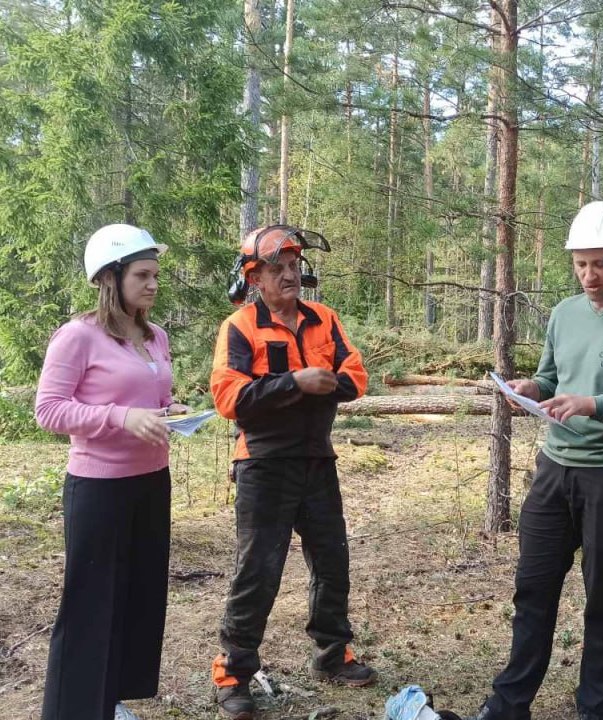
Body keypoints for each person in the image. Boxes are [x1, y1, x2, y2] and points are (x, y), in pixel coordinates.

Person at [467, 202, 603, 720]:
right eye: (580, 264)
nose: (589, 275)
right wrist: (531, 388)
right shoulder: (564, 313)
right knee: (533, 586)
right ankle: (510, 703)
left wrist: (594, 404)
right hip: (554, 466)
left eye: (599, 263)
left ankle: (594, 705)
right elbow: (553, 378)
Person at [210, 225, 373, 720]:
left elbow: (357, 377)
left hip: (317, 459)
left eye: (293, 267)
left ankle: (332, 653)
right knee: (258, 570)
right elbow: (228, 397)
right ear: (254, 277)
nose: (289, 275)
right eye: (277, 269)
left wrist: (327, 383)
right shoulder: (240, 326)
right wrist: (293, 384)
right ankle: (234, 671)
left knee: (331, 559)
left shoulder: (324, 319)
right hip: (262, 463)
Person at [35, 224, 189, 720]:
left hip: (151, 482)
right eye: (142, 275)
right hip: (98, 488)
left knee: (137, 599)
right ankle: (71, 711)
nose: (152, 284)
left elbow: (152, 400)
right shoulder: (77, 336)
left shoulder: (155, 336)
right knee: (89, 608)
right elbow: (50, 411)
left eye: (155, 275)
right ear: (110, 277)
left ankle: (108, 704)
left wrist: (172, 411)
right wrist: (122, 418)